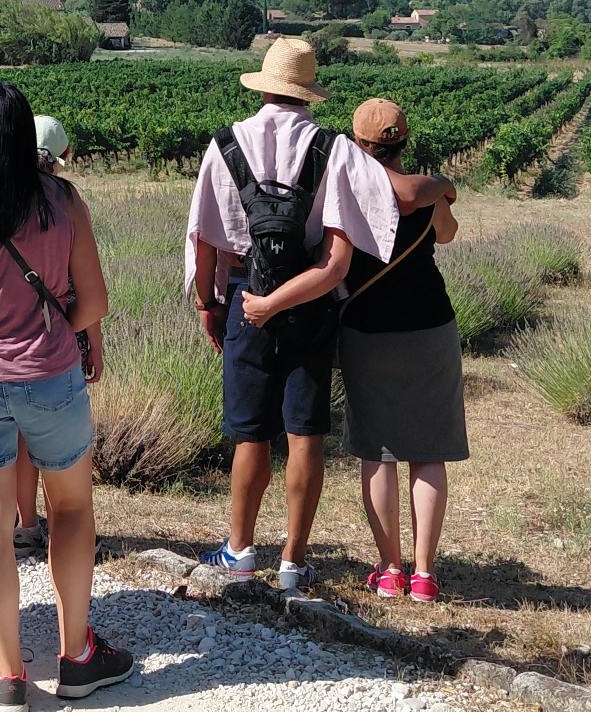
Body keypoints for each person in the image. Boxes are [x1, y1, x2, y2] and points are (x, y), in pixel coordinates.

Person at [0, 83, 131, 706]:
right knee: (70, 510)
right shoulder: (61, 200)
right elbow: (95, 302)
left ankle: (9, 669)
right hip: (50, 374)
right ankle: (76, 653)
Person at [183, 39, 399, 590]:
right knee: (305, 432)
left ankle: (240, 550)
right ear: (308, 90)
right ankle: (293, 561)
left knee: (249, 434)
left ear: (264, 84)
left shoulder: (225, 144)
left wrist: (210, 304)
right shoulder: (336, 149)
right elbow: (340, 252)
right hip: (312, 304)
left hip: (244, 301)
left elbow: (206, 238)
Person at [338, 98, 465, 603]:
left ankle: (390, 569)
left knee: (378, 451)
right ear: (403, 142)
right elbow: (448, 235)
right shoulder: (426, 192)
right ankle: (426, 574)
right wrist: (440, 188)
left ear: (357, 144)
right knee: (429, 452)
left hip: (368, 328)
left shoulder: (345, 193)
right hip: (431, 323)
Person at [13, 113, 75, 556]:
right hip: (55, 338)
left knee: (16, 439)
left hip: (6, 341)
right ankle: (62, 528)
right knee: (57, 443)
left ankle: (25, 524)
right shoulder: (65, 202)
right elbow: (84, 286)